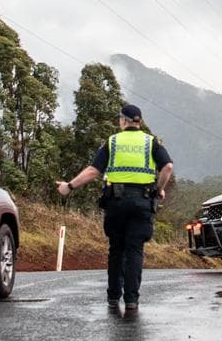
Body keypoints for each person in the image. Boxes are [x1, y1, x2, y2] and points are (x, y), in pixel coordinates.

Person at [57, 104, 174, 312]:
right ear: (139, 121)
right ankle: (131, 300)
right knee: (135, 251)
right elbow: (168, 167)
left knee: (116, 249)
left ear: (123, 121)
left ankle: (113, 297)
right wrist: (158, 189)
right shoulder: (151, 142)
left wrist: (69, 186)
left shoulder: (112, 142)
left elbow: (93, 171)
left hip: (116, 203)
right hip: (142, 203)